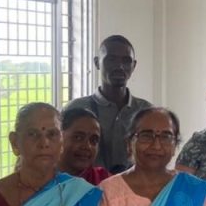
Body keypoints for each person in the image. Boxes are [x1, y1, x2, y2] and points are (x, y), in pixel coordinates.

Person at [64, 34, 152, 175]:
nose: (119, 67)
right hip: (86, 191)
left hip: (134, 192)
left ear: (134, 66)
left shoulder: (146, 111)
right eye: (111, 59)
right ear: (97, 62)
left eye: (126, 61)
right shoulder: (76, 109)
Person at [59, 107, 111, 185]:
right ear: (59, 137)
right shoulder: (40, 180)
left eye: (94, 140)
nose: (87, 146)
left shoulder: (104, 181)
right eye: (78, 137)